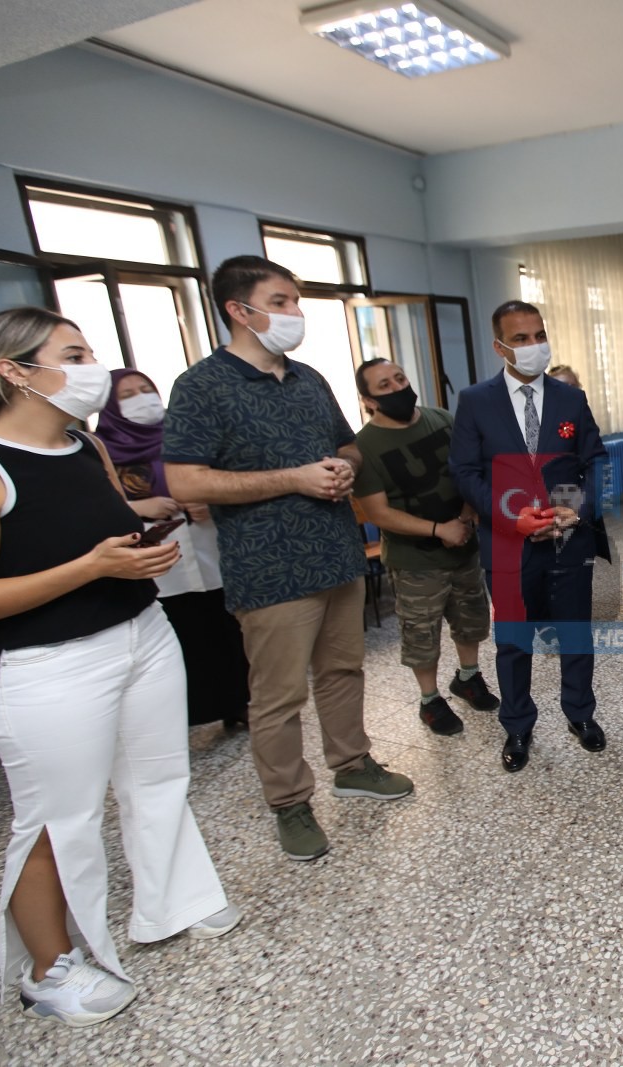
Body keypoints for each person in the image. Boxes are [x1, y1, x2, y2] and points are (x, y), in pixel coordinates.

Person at [0, 308, 239, 1028]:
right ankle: (49, 969)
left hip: (142, 635)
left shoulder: (84, 444)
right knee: (55, 818)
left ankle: (173, 901)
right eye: (72, 355)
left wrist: (138, 546)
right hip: (48, 665)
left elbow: (95, 532)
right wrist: (92, 567)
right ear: (15, 371)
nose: (91, 367)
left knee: (158, 780)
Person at [164, 255, 413, 863]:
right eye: (280, 302)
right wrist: (293, 479)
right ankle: (289, 802)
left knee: (343, 671)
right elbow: (187, 481)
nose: (294, 313)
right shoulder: (201, 386)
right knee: (278, 696)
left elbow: (348, 446)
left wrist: (343, 468)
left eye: (295, 302)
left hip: (336, 554)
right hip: (269, 568)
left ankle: (352, 764)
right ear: (238, 310)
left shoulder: (309, 379)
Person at [449, 300, 610, 772]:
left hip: (567, 540)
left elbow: (595, 461)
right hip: (508, 545)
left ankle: (580, 714)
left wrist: (576, 509)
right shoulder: (475, 401)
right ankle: (518, 725)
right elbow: (465, 472)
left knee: (575, 634)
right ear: (500, 347)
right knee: (514, 641)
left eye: (539, 335)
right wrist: (510, 516)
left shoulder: (570, 399)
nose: (534, 345)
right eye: (521, 339)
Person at [351, 358, 499, 736]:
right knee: (422, 634)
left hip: (463, 545)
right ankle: (430, 700)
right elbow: (377, 513)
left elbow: (469, 471)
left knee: (471, 620)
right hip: (415, 560)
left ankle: (468, 677)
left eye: (399, 378)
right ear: (368, 400)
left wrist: (465, 515)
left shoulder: (442, 419)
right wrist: (438, 530)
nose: (397, 388)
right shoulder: (363, 447)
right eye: (384, 385)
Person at [98, 369, 250, 729]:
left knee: (225, 631)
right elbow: (96, 507)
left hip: (208, 551)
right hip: (159, 565)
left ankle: (238, 704)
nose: (142, 398)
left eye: (146, 389)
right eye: (128, 395)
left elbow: (223, 478)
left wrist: (208, 501)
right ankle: (187, 715)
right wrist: (139, 507)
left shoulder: (184, 437)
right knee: (184, 636)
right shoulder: (101, 450)